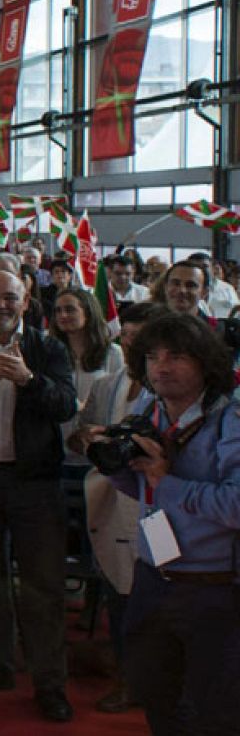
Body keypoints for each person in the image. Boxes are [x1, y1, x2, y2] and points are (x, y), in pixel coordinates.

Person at [84, 313, 240, 735]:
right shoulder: (149, 408)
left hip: (213, 586)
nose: (161, 367)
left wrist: (165, 482)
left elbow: (235, 504)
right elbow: (144, 490)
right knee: (154, 693)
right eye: (152, 357)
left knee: (218, 710)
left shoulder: (230, 418)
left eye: (176, 356)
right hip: (153, 576)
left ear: (205, 362)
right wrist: (117, 463)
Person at [0, 270, 77, 721]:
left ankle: (50, 684)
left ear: (25, 301)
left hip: (36, 485)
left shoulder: (49, 348)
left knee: (43, 588)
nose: (1, 305)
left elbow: (65, 405)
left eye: (10, 298)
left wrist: (29, 380)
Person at [67, 301, 170, 715]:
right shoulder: (108, 384)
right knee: (118, 592)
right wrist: (89, 437)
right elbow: (77, 440)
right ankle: (129, 676)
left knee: (163, 588)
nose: (130, 344)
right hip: (113, 502)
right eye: (125, 336)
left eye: (139, 338)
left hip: (159, 505)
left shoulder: (168, 386)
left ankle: (162, 678)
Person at [52, 287, 125, 460]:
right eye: (58, 311)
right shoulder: (50, 352)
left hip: (95, 446)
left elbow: (118, 399)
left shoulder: (112, 353)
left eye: (70, 309)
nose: (63, 315)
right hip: (56, 447)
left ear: (88, 312)